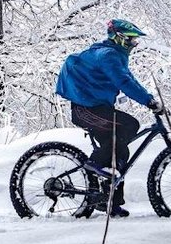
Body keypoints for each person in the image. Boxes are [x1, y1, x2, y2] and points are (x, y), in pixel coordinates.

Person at [55, 19, 165, 217]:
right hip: (86, 110)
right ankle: (94, 163)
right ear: (120, 38)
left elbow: (128, 79)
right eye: (132, 40)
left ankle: (109, 203)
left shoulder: (114, 55)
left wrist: (148, 97)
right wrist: (148, 101)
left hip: (95, 108)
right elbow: (123, 81)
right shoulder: (109, 55)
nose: (135, 44)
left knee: (120, 151)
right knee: (130, 125)